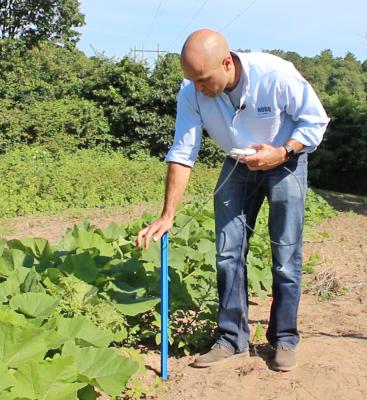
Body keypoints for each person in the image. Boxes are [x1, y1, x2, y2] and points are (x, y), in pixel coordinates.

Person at [135, 29, 329, 372]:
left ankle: (284, 338)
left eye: (203, 79)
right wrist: (167, 215)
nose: (197, 87)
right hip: (237, 165)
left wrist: (282, 152)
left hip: (285, 163)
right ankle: (231, 338)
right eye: (191, 79)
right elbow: (183, 152)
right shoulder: (192, 92)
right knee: (227, 252)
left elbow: (315, 121)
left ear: (227, 63)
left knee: (285, 254)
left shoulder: (275, 74)